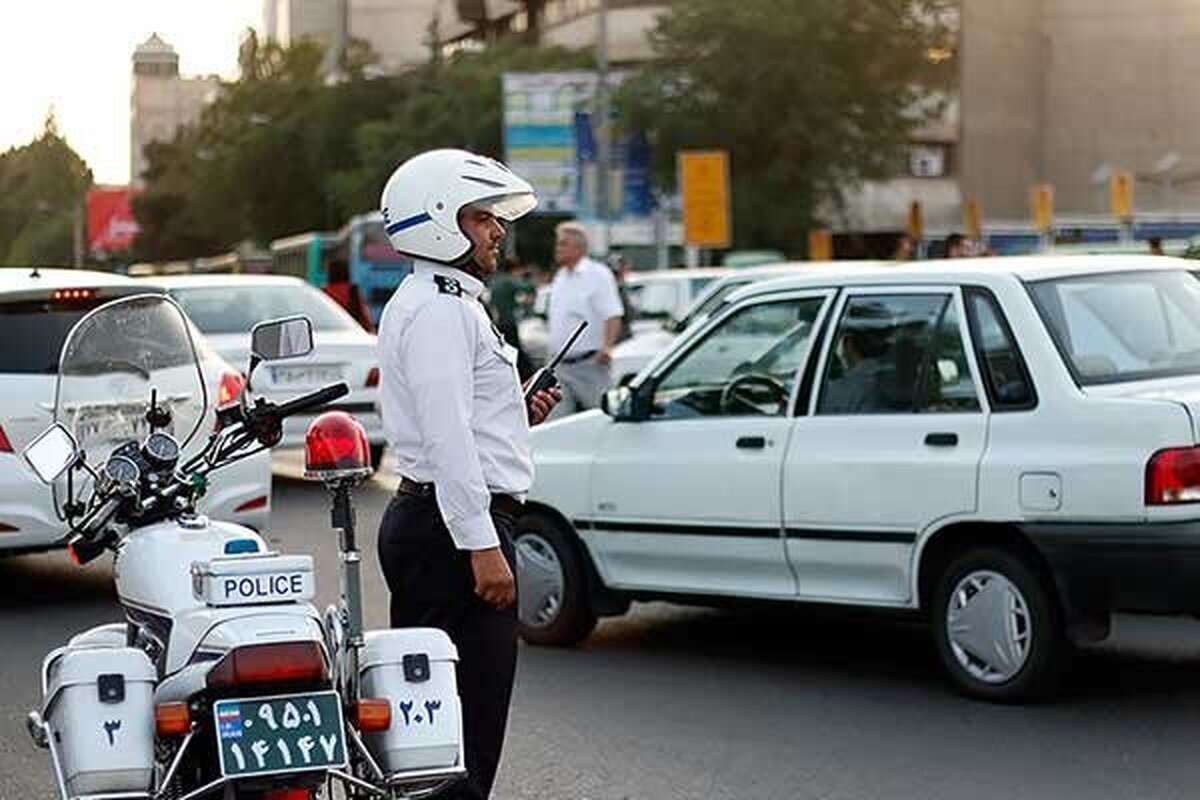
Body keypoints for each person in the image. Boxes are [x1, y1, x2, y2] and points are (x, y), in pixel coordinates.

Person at [374, 149, 561, 800]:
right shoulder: (439, 309)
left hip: (440, 522)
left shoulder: (447, 302)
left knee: (444, 729)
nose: (497, 232)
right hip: (450, 532)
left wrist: (519, 414)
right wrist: (482, 546)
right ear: (439, 221)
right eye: (483, 218)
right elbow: (447, 439)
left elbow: (461, 425)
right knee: (461, 731)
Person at [546, 221, 625, 418]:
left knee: (603, 417)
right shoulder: (560, 277)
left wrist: (607, 346)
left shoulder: (597, 275)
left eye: (563, 243)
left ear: (579, 247)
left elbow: (613, 314)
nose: (558, 248)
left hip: (589, 364)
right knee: (557, 425)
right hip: (559, 367)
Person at [487, 257, 534, 380]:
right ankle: (527, 376)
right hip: (508, 322)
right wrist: (527, 276)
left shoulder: (494, 281)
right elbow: (527, 287)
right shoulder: (508, 281)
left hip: (497, 323)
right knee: (516, 351)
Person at [323, 257, 375, 331]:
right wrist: (371, 329)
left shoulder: (324, 292)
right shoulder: (353, 290)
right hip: (351, 330)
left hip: (330, 331)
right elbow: (364, 313)